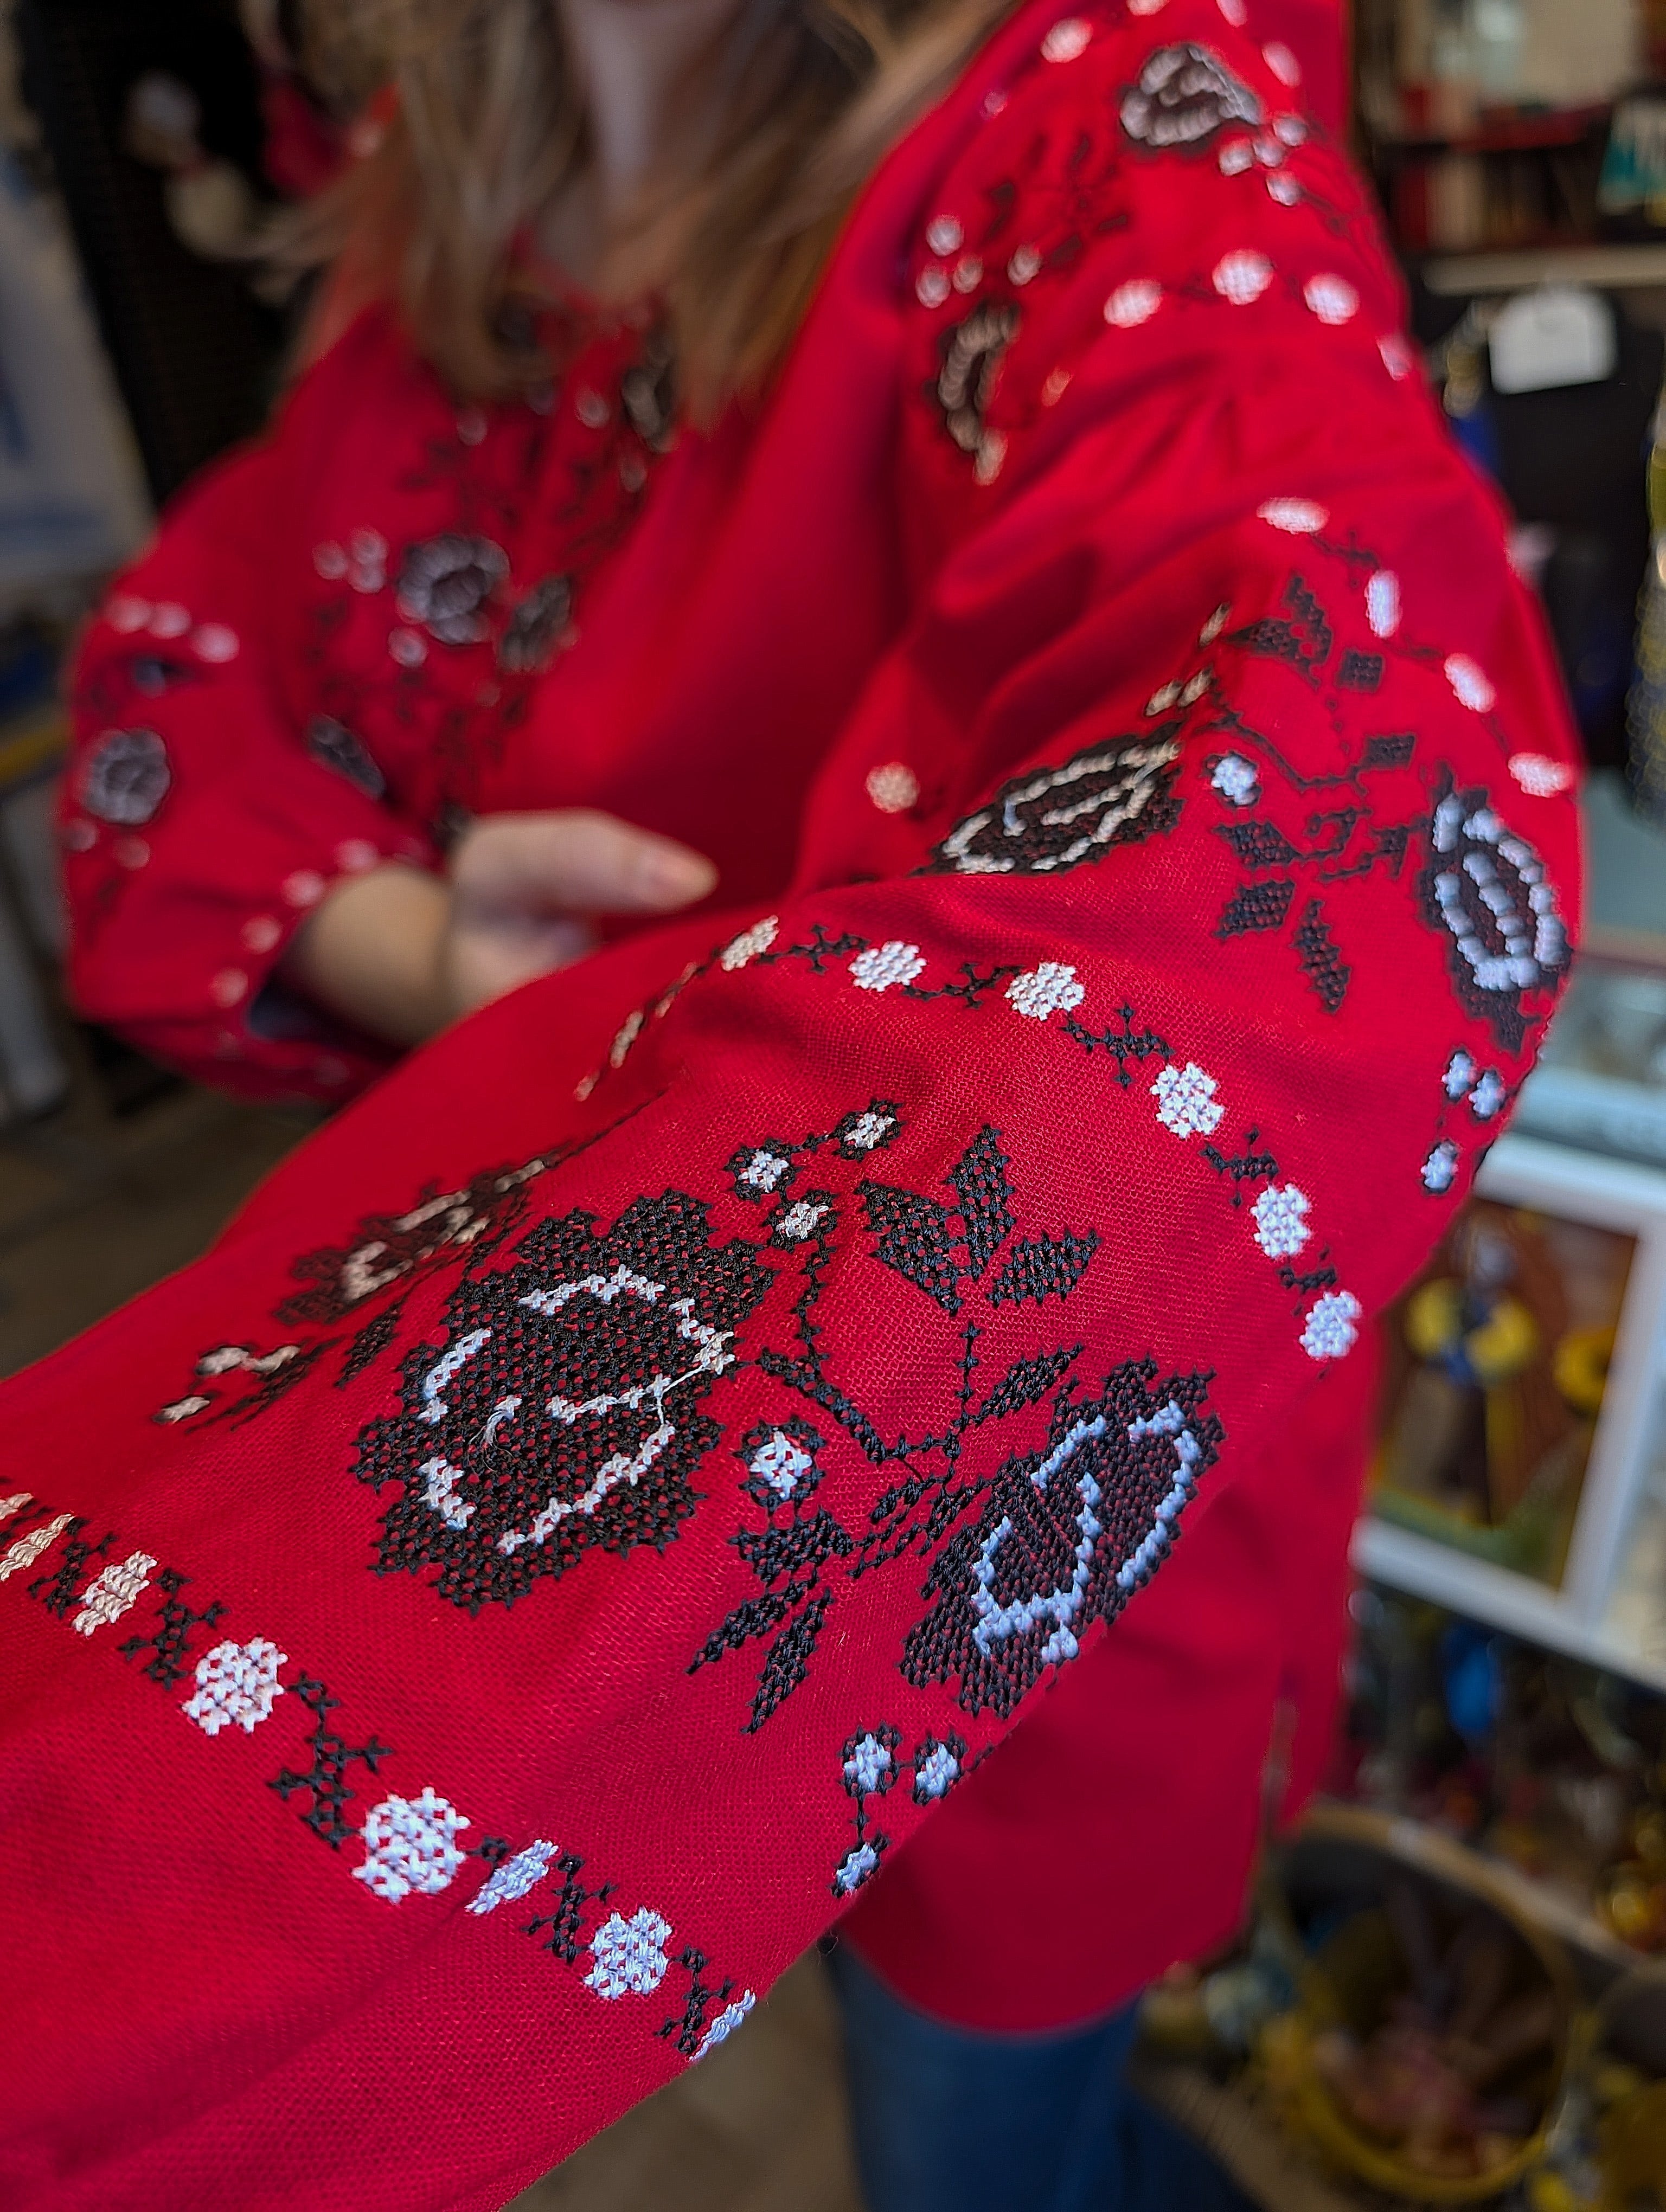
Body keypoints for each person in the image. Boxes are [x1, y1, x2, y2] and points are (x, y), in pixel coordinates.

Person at [2, 0, 1581, 2205]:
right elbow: (174, 696)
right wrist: (412, 941)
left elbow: (1345, 781)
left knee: (979, 2168)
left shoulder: (1099, 112)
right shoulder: (429, 234)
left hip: (1020, 1608)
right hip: (637, 1535)